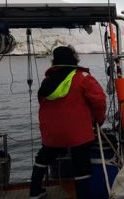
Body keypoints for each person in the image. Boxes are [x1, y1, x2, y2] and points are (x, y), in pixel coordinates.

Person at [30, 45, 106, 199]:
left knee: (43, 158)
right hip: (78, 132)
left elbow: (42, 102)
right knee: (81, 166)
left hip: (52, 133)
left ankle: (34, 192)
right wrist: (99, 119)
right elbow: (99, 100)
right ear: (74, 58)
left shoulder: (48, 81)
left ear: (55, 61)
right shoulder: (82, 77)